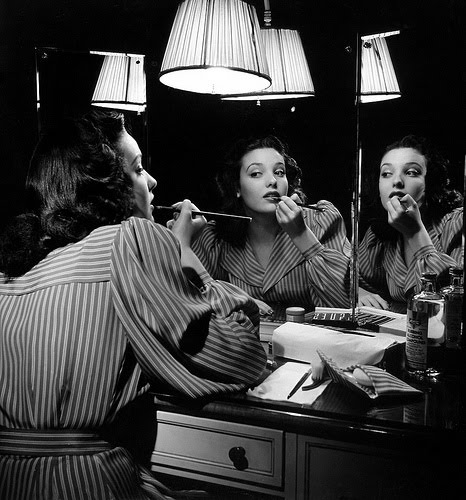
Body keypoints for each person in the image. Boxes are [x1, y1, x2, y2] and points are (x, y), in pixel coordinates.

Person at [0, 110, 267, 499]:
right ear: (107, 187)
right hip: (84, 484)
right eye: (139, 169)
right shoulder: (129, 241)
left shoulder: (13, 266)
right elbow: (238, 359)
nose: (152, 180)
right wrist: (182, 253)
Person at [183, 134, 351, 317]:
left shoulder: (321, 221)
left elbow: (342, 308)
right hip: (249, 336)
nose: (272, 181)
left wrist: (301, 235)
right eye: (256, 173)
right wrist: (236, 298)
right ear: (237, 187)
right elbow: (191, 304)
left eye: (279, 172)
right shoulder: (215, 238)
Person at [358, 134, 464, 312]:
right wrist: (359, 293)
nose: (397, 181)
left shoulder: (457, 224)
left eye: (411, 172)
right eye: (386, 174)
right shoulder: (378, 237)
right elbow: (352, 278)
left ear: (430, 182)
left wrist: (414, 233)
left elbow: (454, 303)